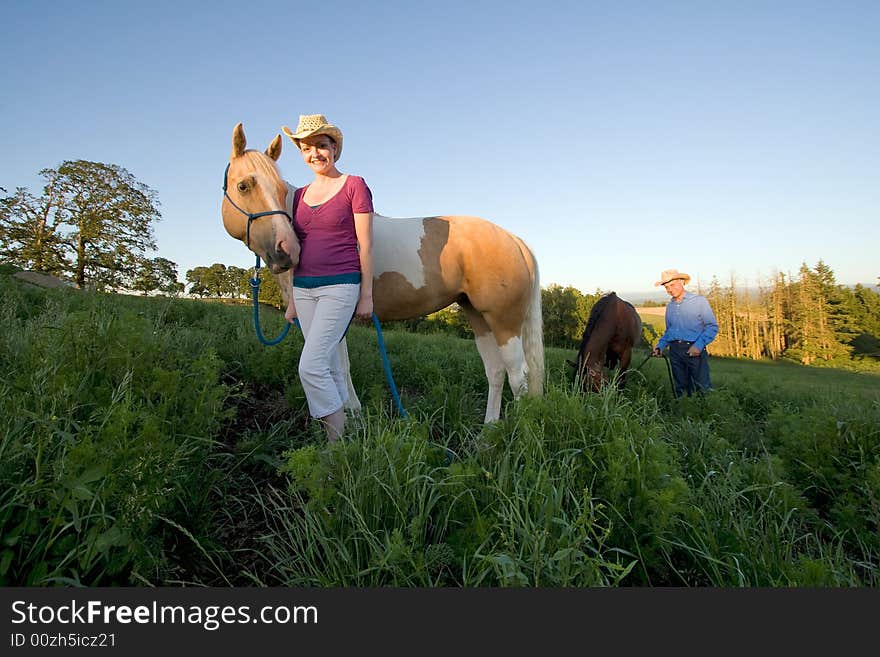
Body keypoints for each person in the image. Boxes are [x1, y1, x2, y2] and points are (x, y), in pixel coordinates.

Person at [279, 114, 374, 441]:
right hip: (304, 289)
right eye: (307, 148)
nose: (314, 154)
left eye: (321, 145)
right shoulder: (299, 196)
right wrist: (292, 299)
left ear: (334, 147)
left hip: (341, 285)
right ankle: (352, 430)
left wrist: (367, 295)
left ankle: (335, 450)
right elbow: (296, 250)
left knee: (310, 366)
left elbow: (366, 244)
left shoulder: (354, 186)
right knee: (330, 365)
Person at [651, 268, 718, 397]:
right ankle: (684, 413)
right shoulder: (670, 306)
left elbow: (712, 327)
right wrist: (660, 346)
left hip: (694, 349)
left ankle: (707, 414)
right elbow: (670, 331)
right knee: (680, 388)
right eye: (667, 287)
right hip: (675, 351)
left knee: (702, 388)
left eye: (672, 285)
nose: (670, 289)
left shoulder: (699, 301)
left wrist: (698, 346)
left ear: (681, 282)